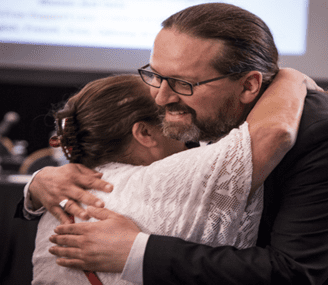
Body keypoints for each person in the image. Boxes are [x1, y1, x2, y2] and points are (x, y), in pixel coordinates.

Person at [17, 3, 328, 284]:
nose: (161, 97)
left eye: (183, 84)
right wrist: (38, 184)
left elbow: (296, 273)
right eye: (155, 75)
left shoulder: (316, 133)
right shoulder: (196, 121)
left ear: (249, 85)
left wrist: (138, 252)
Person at [32, 69, 307, 284]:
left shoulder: (57, 195)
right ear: (145, 133)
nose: (183, 120)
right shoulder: (159, 180)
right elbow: (273, 132)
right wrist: (292, 77)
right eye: (170, 114)